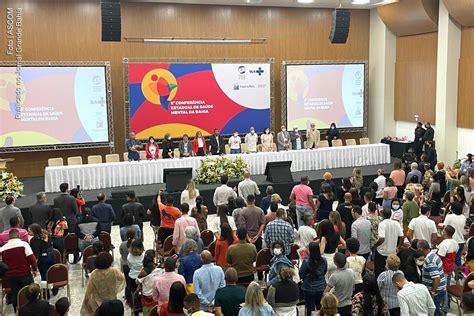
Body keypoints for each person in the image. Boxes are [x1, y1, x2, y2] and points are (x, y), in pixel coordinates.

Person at [0, 229, 38, 312]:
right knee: (30, 293)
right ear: (18, 236)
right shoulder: (24, 244)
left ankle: (17, 311)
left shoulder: (3, 249)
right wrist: (35, 269)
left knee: (16, 296)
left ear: (9, 237)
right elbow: (32, 259)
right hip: (25, 275)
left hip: (11, 277)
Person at [417, 239, 446, 316]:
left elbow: (436, 278)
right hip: (441, 288)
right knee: (436, 309)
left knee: (434, 312)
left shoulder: (429, 260)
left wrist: (432, 293)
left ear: (420, 249)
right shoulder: (433, 255)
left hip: (436, 291)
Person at [300, 242, 327, 315]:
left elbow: (301, 274)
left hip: (309, 288)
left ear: (310, 251)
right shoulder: (324, 260)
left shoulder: (306, 261)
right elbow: (324, 271)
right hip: (321, 287)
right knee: (320, 307)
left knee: (310, 308)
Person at [374, 208, 403, 277]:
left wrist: (375, 245)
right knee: (392, 271)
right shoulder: (396, 223)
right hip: (393, 252)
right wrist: (398, 247)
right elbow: (402, 236)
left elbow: (381, 239)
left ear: (382, 215)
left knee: (379, 271)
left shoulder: (382, 224)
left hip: (382, 252)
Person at [137, 250, 162, 315]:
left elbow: (137, 281)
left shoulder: (143, 272)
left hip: (147, 295)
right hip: (156, 293)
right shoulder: (159, 269)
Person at [443, 201, 466, 271]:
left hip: (452, 241)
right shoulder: (463, 217)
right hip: (461, 241)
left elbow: (445, 227)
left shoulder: (449, 217)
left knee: (450, 260)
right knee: (458, 260)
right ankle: (458, 275)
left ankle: (453, 273)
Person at [126, 239, 145, 304]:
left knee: (134, 294)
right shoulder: (144, 256)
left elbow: (130, 266)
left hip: (132, 277)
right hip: (142, 277)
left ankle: (134, 305)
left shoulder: (129, 257)